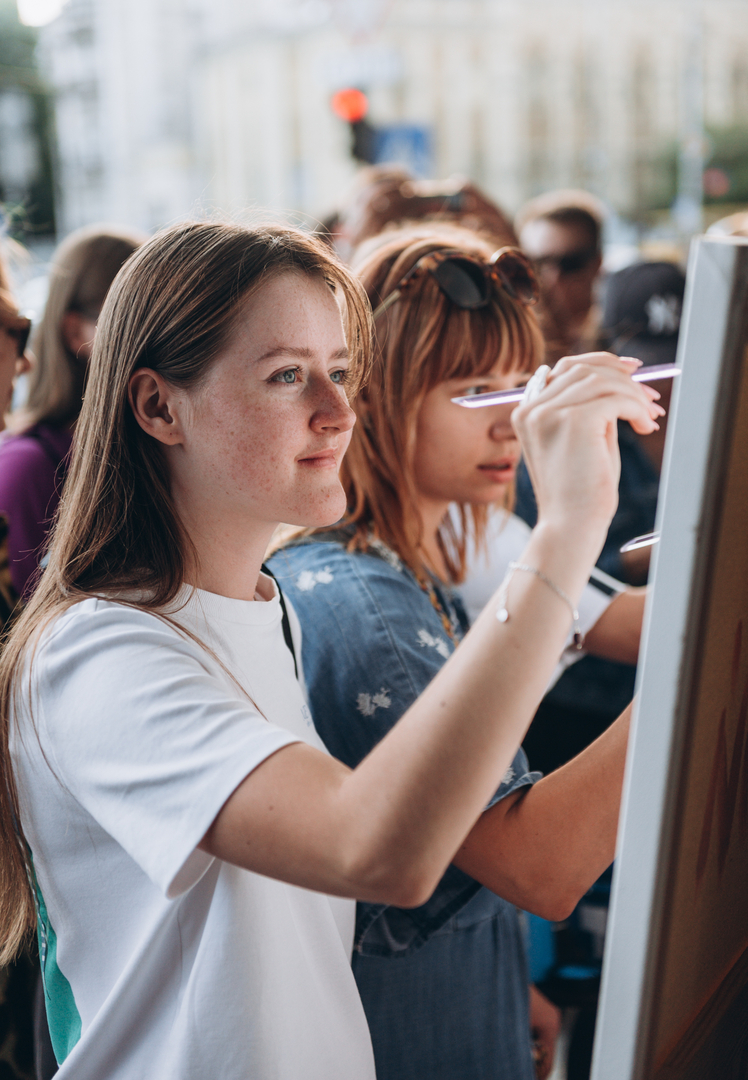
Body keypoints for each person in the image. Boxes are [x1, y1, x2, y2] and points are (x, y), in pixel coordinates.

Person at [0, 220, 659, 1080]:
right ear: (160, 406)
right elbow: (377, 850)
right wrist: (567, 531)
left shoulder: (274, 611)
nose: (341, 411)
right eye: (287, 376)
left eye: (342, 373)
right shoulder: (97, 653)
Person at [268, 226, 657, 1080]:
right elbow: (539, 866)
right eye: (476, 389)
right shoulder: (365, 603)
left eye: (520, 385)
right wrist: (695, 677)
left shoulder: (409, 566)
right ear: (373, 397)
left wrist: (505, 976)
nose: (515, 418)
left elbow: (464, 867)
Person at [0, 224, 144, 599]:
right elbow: (24, 636)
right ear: (76, 330)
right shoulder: (27, 466)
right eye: (135, 323)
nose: (160, 340)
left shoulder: (149, 448)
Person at [516, 189, 605, 365]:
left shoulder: (616, 331)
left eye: (569, 263)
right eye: (537, 264)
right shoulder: (514, 340)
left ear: (596, 265)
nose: (552, 277)